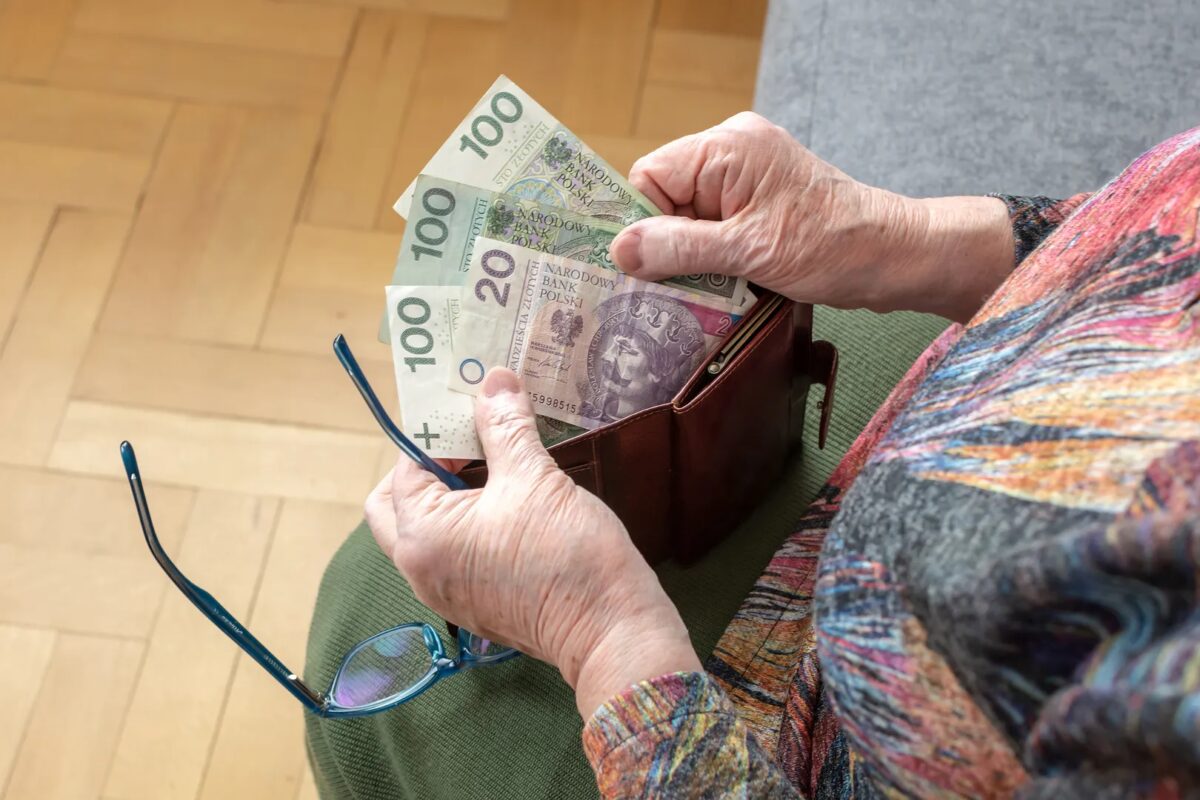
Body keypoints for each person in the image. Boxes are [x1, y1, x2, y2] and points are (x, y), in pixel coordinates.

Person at [364, 113, 1200, 797]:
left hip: (761, 740)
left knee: (363, 602)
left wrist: (597, 634)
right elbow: (1153, 243)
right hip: (959, 370)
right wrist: (902, 237)